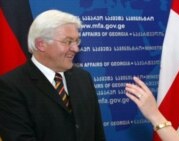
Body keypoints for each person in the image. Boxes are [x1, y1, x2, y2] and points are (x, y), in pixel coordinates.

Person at [0, 9, 106, 141]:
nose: (75, 48)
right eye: (68, 41)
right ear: (41, 44)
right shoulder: (11, 86)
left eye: (76, 41)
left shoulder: (83, 78)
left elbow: (97, 134)